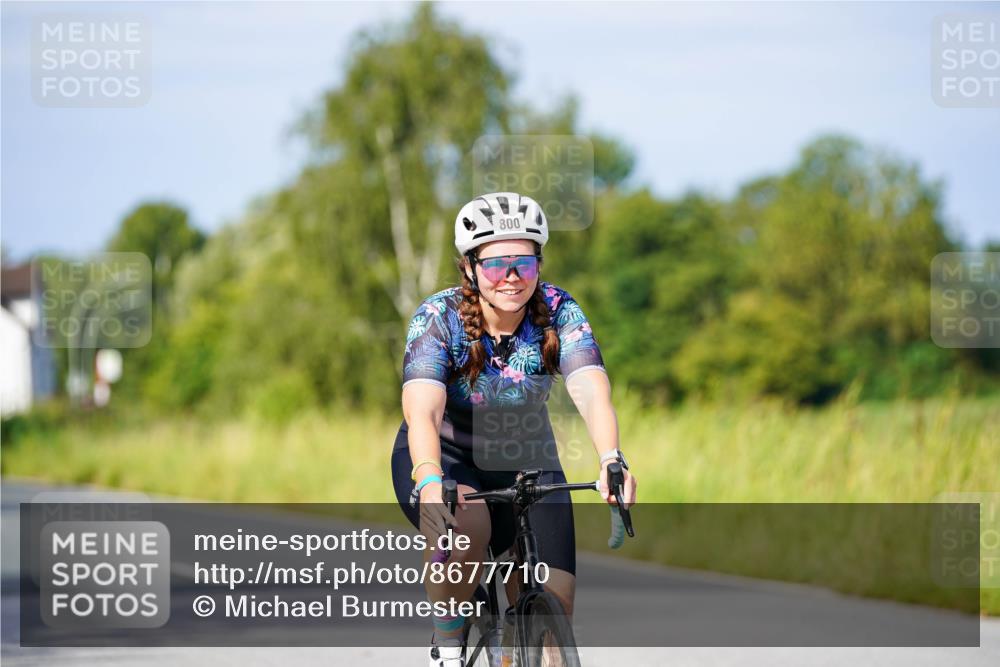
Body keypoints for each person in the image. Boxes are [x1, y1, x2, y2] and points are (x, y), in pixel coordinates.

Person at [390, 192, 637, 667]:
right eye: (496, 263)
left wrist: (611, 458)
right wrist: (428, 477)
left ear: (538, 266)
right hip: (446, 455)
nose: (510, 276)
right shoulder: (437, 318)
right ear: (469, 267)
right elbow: (422, 408)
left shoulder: (560, 311)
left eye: (524, 264)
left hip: (527, 455)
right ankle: (447, 640)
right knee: (470, 527)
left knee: (555, 600)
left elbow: (590, 389)